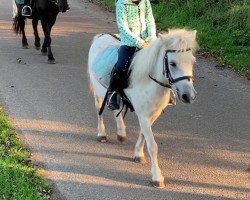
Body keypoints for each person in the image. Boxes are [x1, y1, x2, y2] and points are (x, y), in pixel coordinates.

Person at [107, 0, 157, 110]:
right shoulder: (121, 3)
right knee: (121, 66)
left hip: (147, 41)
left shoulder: (145, 2)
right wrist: (139, 43)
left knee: (160, 61)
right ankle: (112, 93)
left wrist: (151, 38)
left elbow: (150, 20)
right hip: (129, 42)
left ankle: (166, 92)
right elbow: (123, 28)